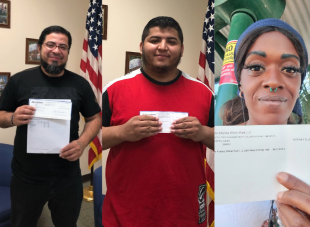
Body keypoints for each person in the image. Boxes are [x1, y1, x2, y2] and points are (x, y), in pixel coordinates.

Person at [102, 16, 214, 226]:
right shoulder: (114, 90)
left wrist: (203, 133)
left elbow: (227, 142)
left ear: (181, 49)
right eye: (155, 40)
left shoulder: (204, 93)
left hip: (184, 210)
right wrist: (122, 132)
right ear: (142, 46)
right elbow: (90, 140)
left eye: (171, 41)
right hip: (127, 210)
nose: (163, 47)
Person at [0, 25, 101, 227]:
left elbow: (95, 118)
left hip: (67, 176)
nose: (56, 50)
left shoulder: (80, 84)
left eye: (63, 47)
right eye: (51, 45)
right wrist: (12, 118)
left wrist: (81, 143)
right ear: (39, 47)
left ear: (68, 51)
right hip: (27, 177)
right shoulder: (20, 80)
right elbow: (1, 116)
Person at [217, 18, 310, 226]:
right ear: (240, 83)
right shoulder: (211, 154)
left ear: (299, 84)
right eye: (256, 66)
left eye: (289, 69)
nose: (273, 81)